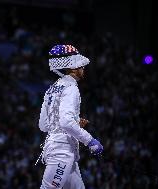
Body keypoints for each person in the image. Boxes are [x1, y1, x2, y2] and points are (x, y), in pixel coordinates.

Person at [38, 44, 103, 189]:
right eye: (81, 65)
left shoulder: (52, 88)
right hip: (62, 152)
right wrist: (89, 140)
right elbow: (66, 122)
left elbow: (44, 125)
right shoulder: (71, 88)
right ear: (73, 66)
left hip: (57, 148)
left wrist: (74, 122)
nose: (83, 68)